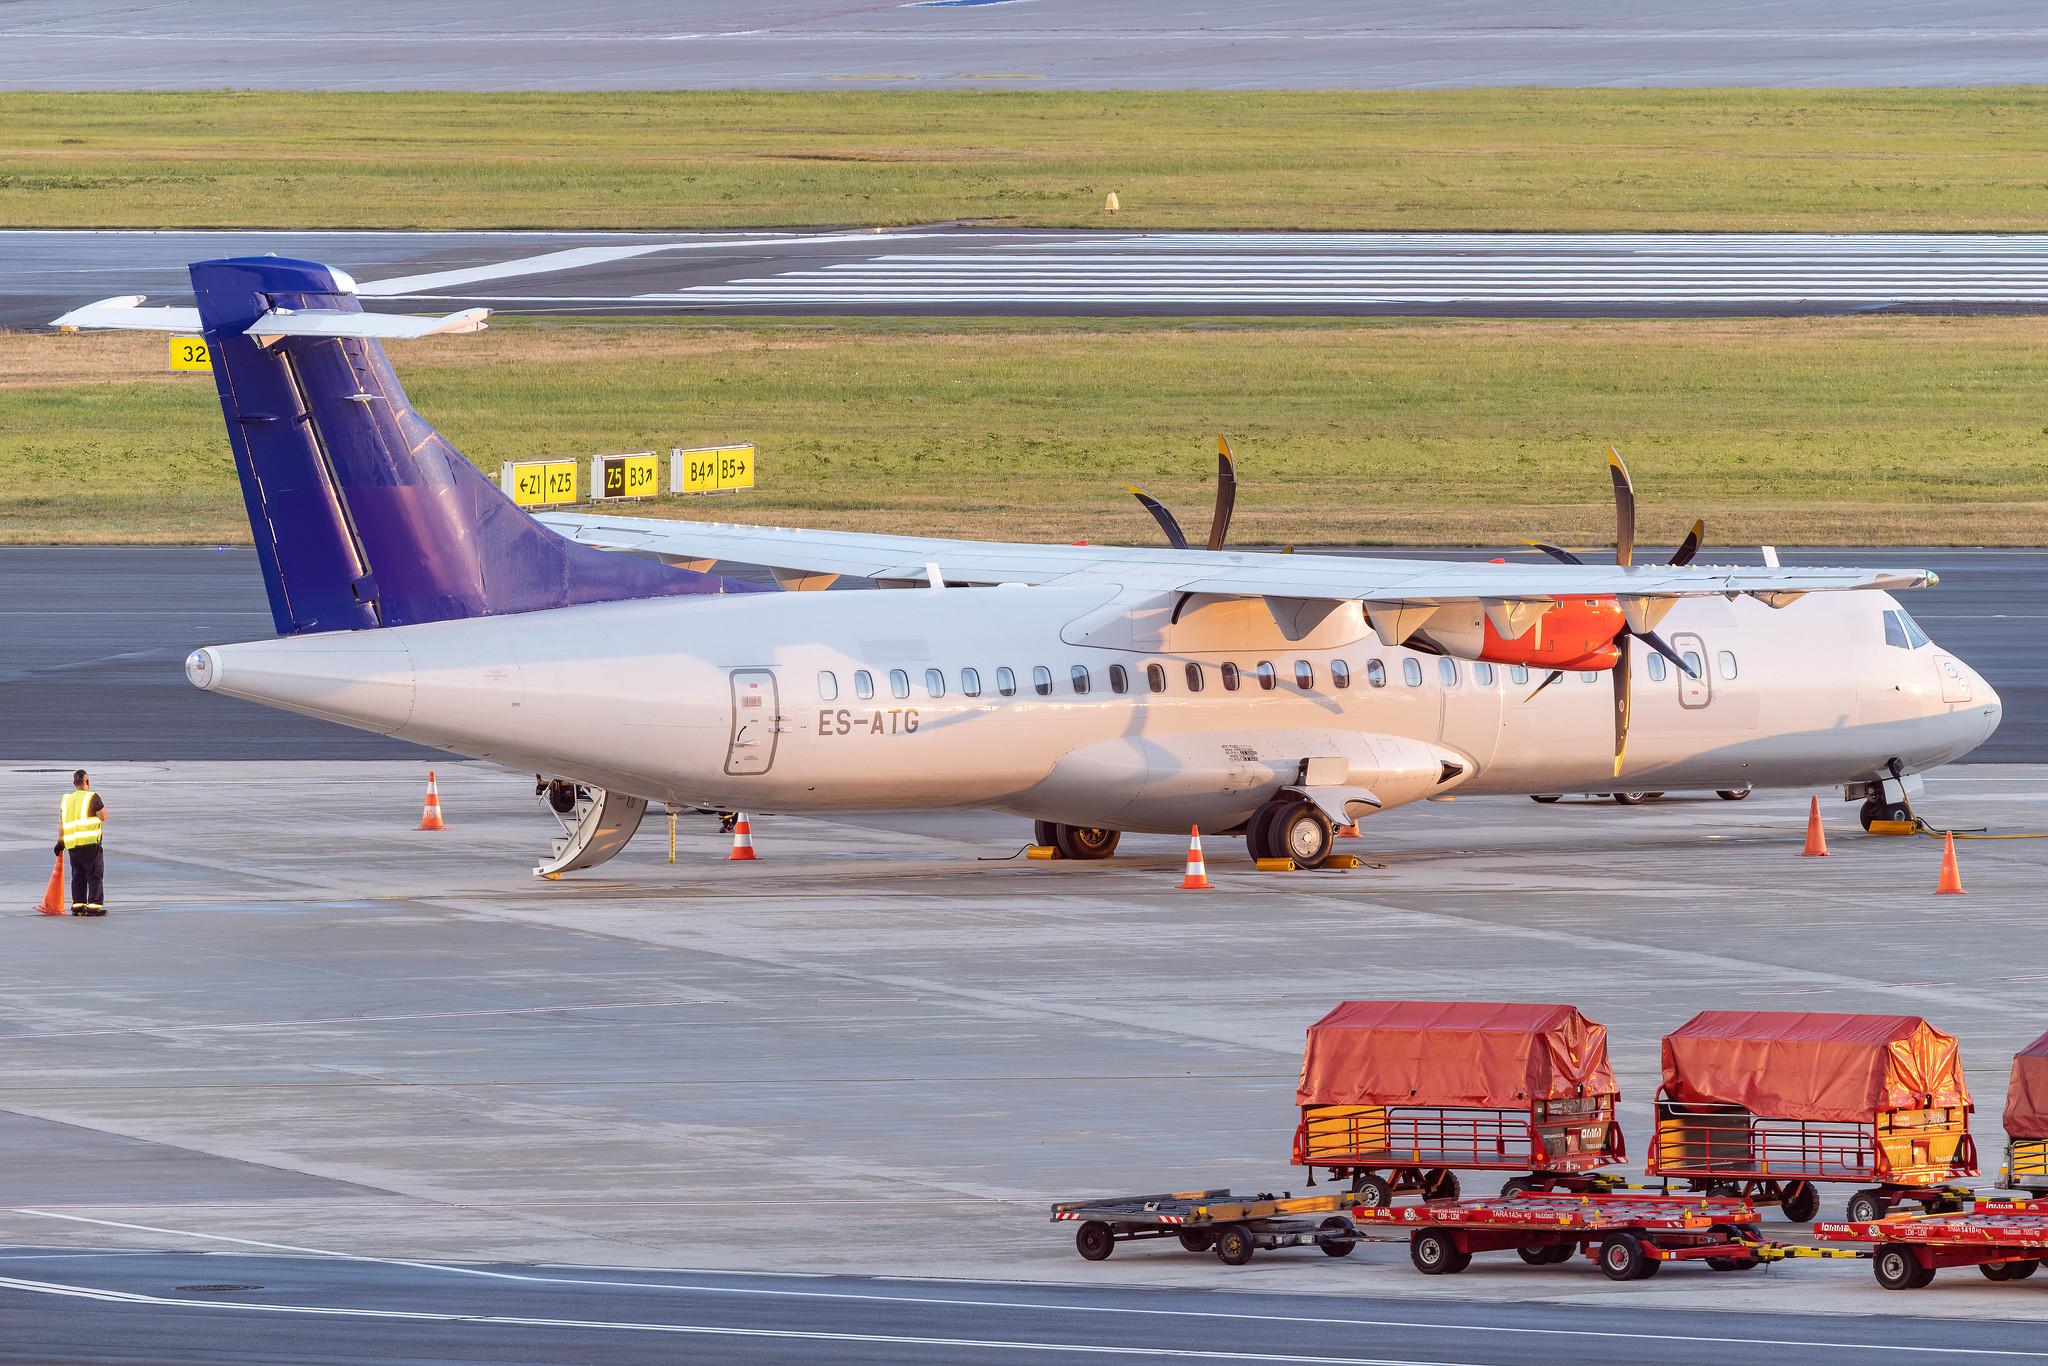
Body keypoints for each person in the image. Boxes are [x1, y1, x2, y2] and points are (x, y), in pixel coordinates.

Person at [54, 769, 106, 916]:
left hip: (73, 846)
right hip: (90, 844)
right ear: (87, 781)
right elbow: (103, 816)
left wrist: (60, 842)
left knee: (78, 876)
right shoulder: (92, 797)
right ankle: (94, 907)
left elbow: (62, 823)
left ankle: (78, 906)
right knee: (94, 875)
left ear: (74, 783)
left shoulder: (66, 800)